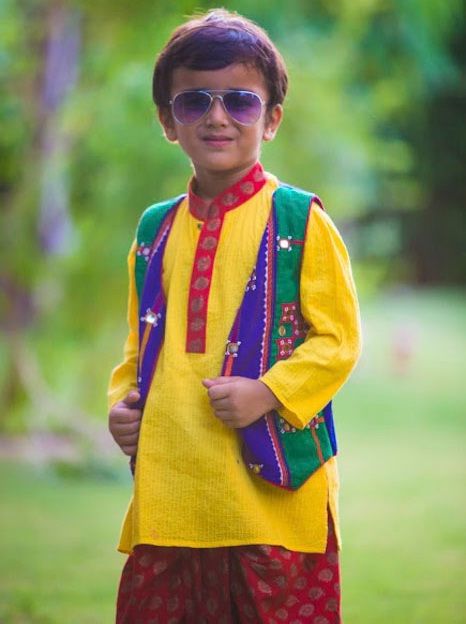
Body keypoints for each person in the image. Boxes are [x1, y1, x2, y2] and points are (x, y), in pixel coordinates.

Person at [108, 9, 361, 623]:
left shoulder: (300, 221)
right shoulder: (155, 229)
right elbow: (139, 347)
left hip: (273, 506)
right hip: (170, 501)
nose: (216, 117)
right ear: (168, 121)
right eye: (193, 101)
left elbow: (338, 341)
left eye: (240, 101)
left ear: (271, 119)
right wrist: (122, 406)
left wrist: (267, 392)